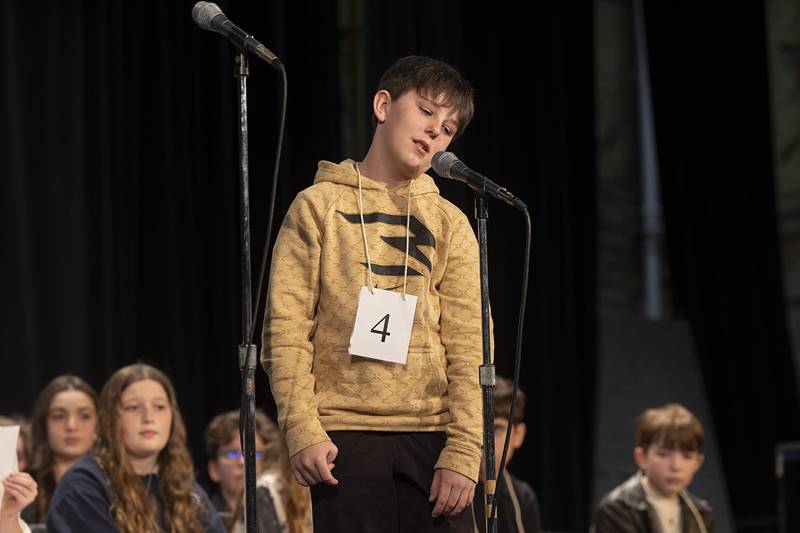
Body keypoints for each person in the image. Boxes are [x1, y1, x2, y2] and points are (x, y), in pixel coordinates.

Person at [262, 55, 483, 532]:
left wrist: (465, 450)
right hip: (342, 436)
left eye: (448, 129)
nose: (435, 131)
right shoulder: (318, 206)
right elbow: (285, 328)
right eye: (426, 111)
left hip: (432, 437)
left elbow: (471, 345)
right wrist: (302, 428)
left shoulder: (450, 222)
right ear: (384, 105)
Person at [46, 363, 225, 533]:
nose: (148, 417)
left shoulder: (180, 485)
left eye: (159, 407)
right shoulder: (82, 486)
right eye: (133, 407)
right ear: (110, 418)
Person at [591, 403, 714, 533]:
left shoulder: (700, 514)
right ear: (642, 457)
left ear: (698, 462)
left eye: (687, 456)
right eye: (663, 454)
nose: (676, 466)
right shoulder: (617, 509)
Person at [205, 409, 311, 532]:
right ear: (214, 469)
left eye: (254, 454)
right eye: (232, 454)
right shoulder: (205, 520)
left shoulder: (289, 508)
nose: (242, 462)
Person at [471, 376, 542, 533]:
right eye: (478, 428)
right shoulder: (448, 492)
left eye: (497, 429)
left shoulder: (523, 497)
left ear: (518, 435)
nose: (486, 440)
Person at [26, 375, 98, 523]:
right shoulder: (23, 483)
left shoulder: (116, 482)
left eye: (85, 416)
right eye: (59, 416)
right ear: (43, 424)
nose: (71, 426)